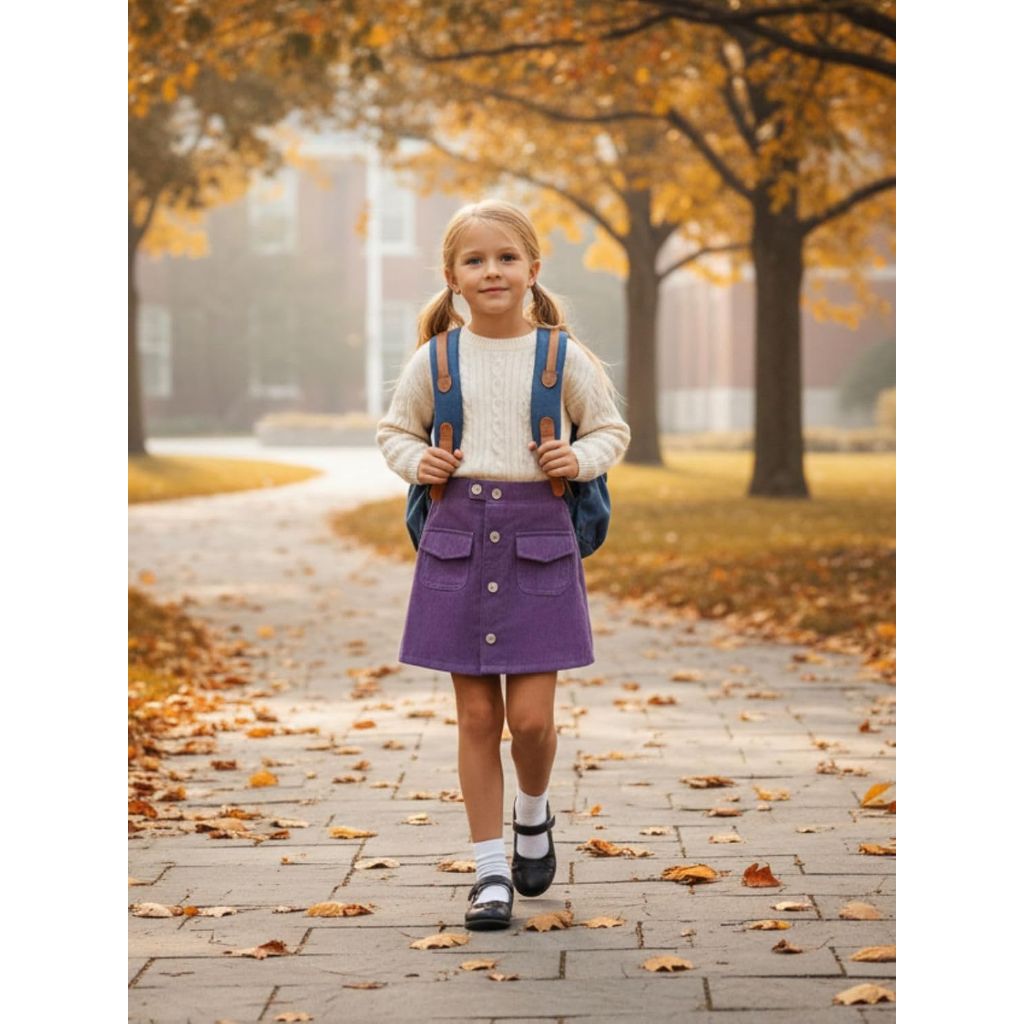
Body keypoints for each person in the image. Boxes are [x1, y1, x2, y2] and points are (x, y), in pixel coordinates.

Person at [376, 198, 631, 930]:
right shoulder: (437, 359)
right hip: (457, 538)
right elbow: (394, 430)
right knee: (478, 717)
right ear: (452, 276)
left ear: (532, 270)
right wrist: (416, 461)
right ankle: (491, 874)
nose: (492, 271)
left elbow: (610, 428)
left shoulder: (560, 356)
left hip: (538, 543)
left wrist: (577, 456)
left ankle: (532, 813)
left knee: (532, 720)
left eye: (506, 258)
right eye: (475, 260)